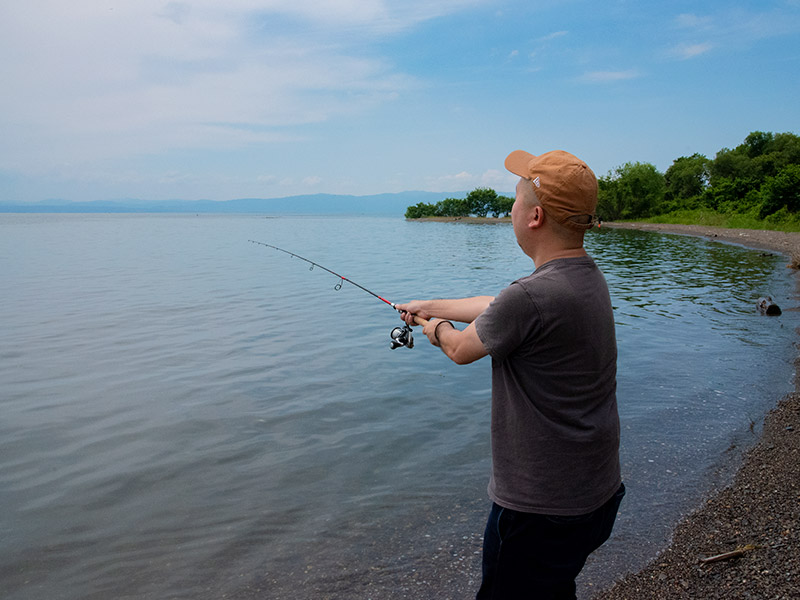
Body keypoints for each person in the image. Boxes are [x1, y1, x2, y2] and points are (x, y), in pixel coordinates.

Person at [397, 149, 624, 599]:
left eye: (515, 201)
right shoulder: (583, 278)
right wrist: (429, 305)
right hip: (594, 492)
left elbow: (462, 348)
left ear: (534, 216)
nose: (510, 210)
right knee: (552, 588)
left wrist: (435, 329)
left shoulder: (533, 296)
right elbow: (495, 305)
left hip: (541, 506)